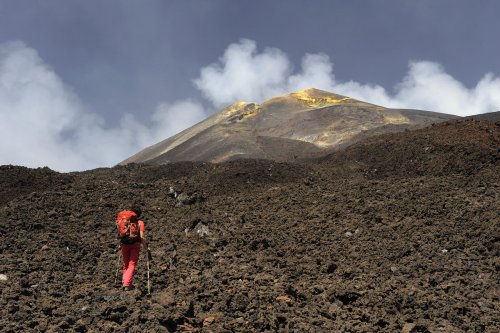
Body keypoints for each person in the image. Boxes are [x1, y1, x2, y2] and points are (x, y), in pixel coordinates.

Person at [116, 204, 147, 291]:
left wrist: (120, 244)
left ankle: (124, 281)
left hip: (124, 243)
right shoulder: (140, 223)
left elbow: (120, 233)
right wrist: (146, 247)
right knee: (132, 264)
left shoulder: (124, 220)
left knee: (125, 264)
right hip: (135, 245)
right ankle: (127, 284)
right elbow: (142, 237)